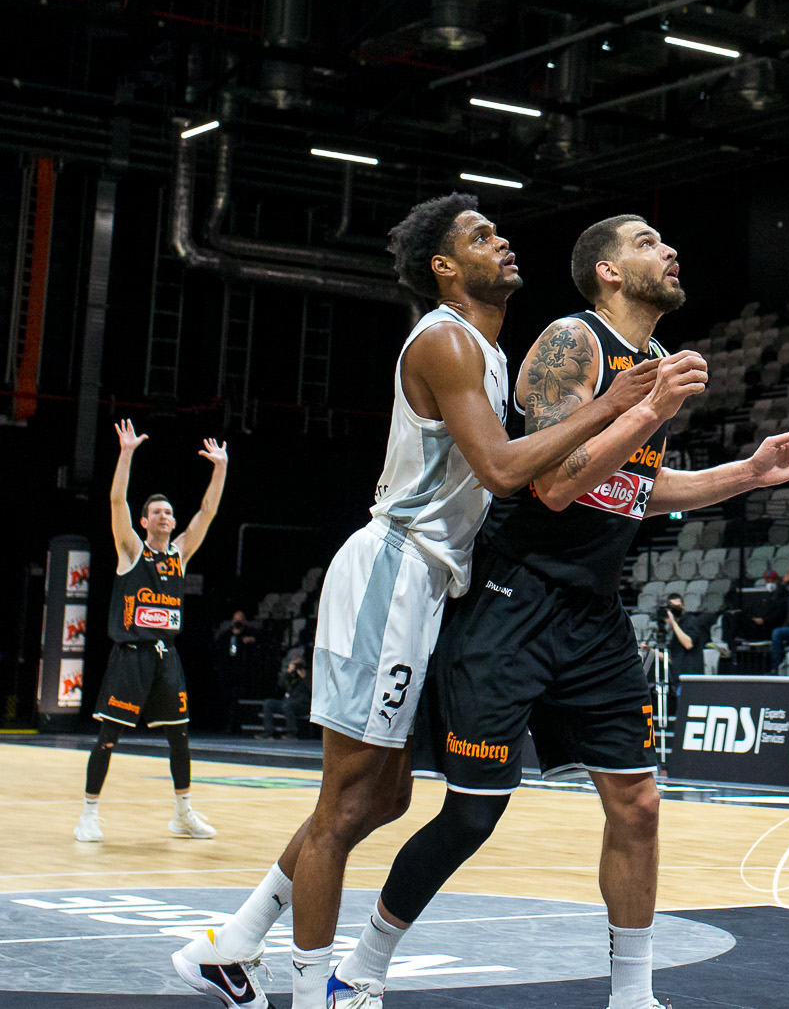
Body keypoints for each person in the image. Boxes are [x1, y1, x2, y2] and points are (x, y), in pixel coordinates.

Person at [327, 214, 789, 1009]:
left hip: (593, 611)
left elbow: (632, 487)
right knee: (472, 815)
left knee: (638, 803)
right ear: (607, 270)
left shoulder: (654, 361)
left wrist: (749, 472)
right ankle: (362, 965)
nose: (670, 249)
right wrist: (645, 410)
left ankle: (631, 996)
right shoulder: (574, 341)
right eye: (647, 242)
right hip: (513, 599)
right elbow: (557, 483)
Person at [174, 193, 668, 1009]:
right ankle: (316, 994)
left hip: (435, 582)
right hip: (392, 571)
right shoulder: (444, 340)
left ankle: (229, 945)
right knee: (343, 805)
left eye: (499, 231)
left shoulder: (489, 351)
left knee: (385, 795)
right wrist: (617, 404)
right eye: (480, 235)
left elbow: (560, 471)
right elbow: (507, 472)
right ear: (443, 266)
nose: (502, 241)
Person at [81, 420, 229, 843]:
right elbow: (116, 500)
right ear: (145, 521)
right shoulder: (131, 550)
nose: (165, 516)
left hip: (167, 656)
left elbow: (207, 512)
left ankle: (183, 814)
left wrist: (220, 468)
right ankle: (88, 814)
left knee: (180, 737)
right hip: (130, 655)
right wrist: (126, 453)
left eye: (169, 512)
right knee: (109, 735)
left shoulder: (179, 554)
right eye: (157, 512)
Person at [262, 650, 311, 741]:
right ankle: (268, 732)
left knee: (287, 705)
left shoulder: (309, 674)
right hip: (289, 702)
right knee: (268, 703)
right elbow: (281, 686)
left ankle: (292, 733)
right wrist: (288, 673)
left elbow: (312, 689)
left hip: (303, 704)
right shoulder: (291, 675)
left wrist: (304, 677)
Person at [664, 591, 712, 676]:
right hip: (678, 674)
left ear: (683, 605)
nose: (674, 609)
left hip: (690, 674)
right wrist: (651, 651)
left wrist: (673, 623)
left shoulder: (690, 621)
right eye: (672, 606)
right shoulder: (676, 628)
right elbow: (672, 659)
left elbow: (688, 644)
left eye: (676, 606)